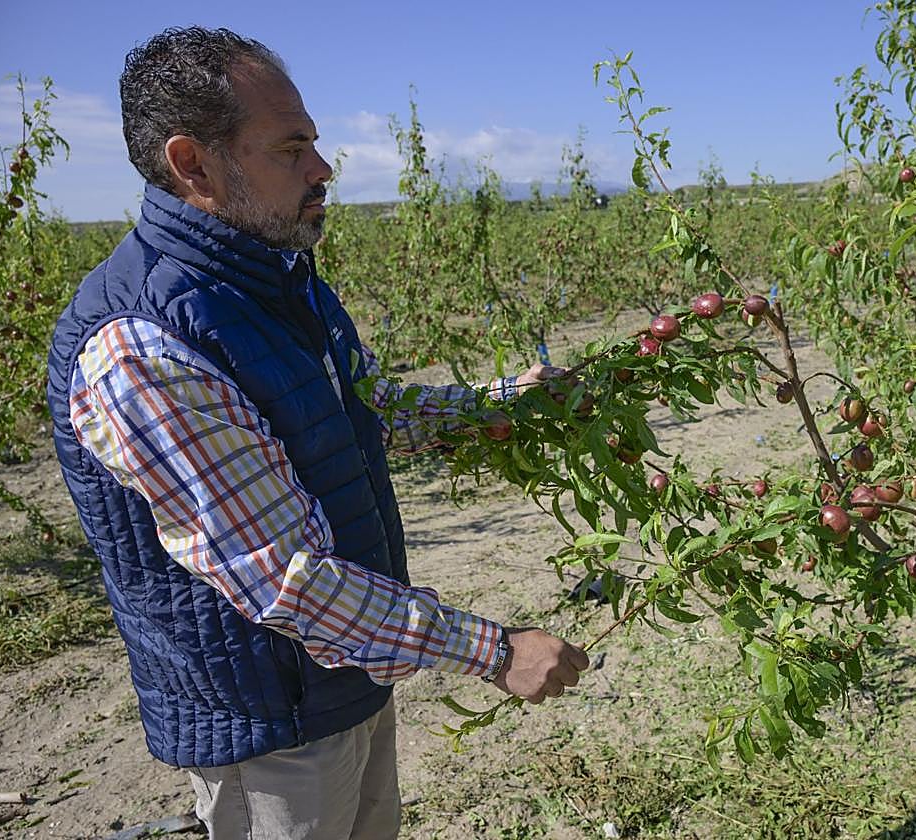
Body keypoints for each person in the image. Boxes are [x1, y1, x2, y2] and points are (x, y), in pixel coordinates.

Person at [46, 26, 589, 840]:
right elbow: (284, 580)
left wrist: (498, 402)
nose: (323, 169)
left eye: (316, 144)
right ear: (193, 165)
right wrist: (494, 650)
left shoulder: (273, 277)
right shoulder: (142, 345)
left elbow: (358, 409)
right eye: (291, 148)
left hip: (343, 673)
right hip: (272, 720)